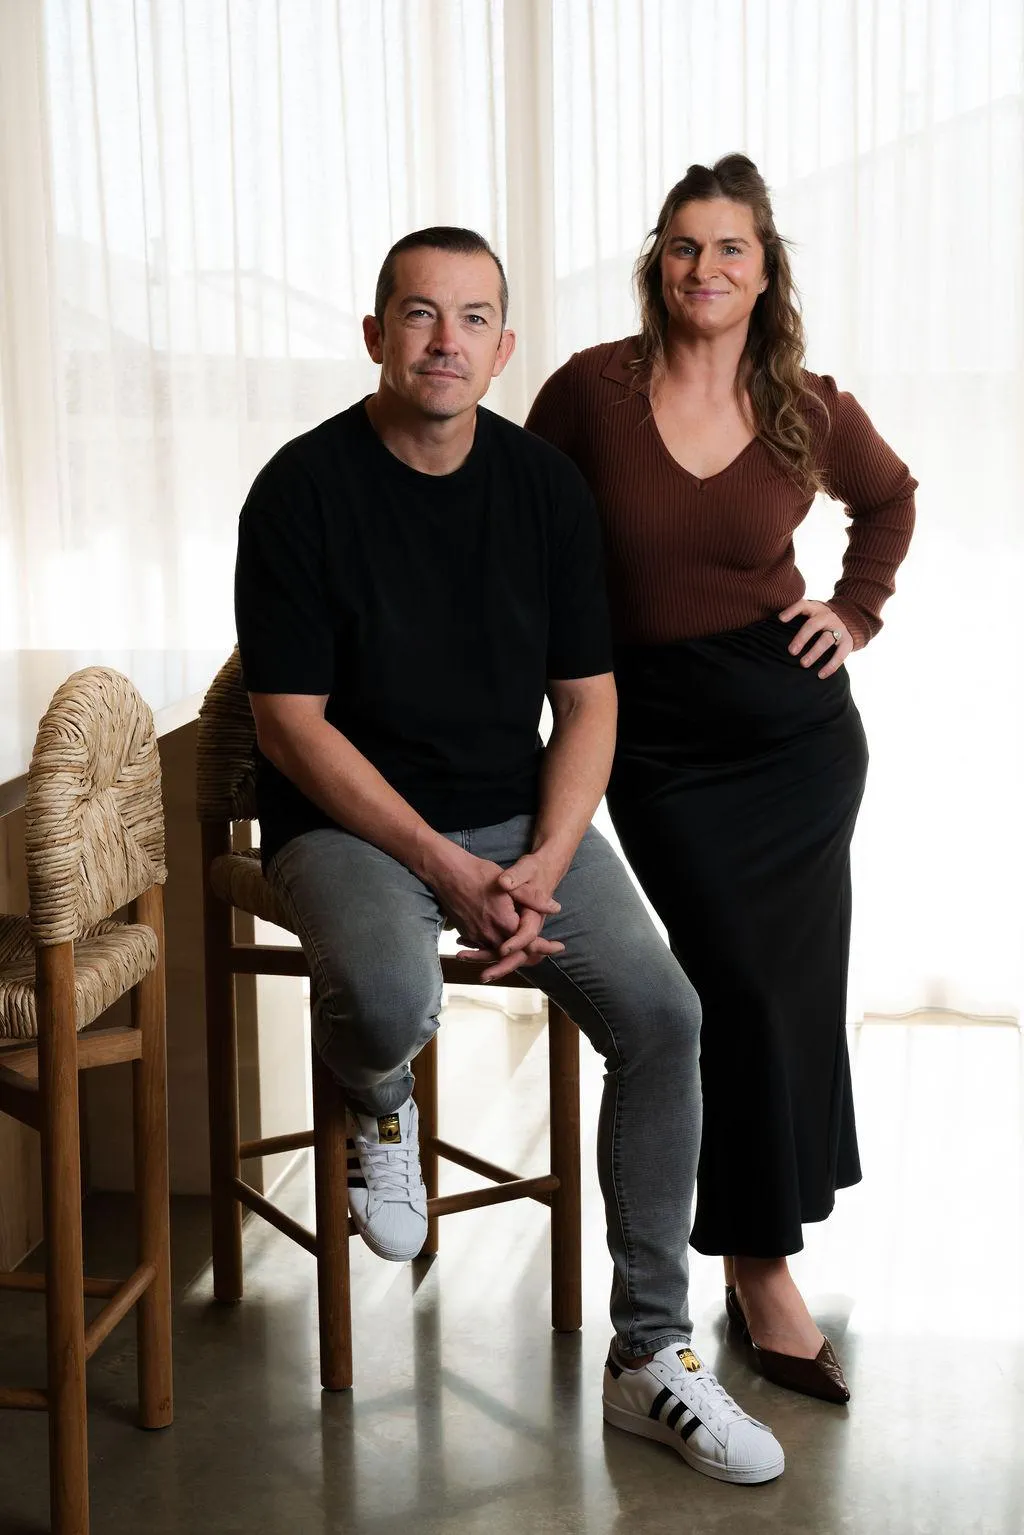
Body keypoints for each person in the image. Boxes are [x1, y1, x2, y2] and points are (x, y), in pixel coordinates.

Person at [234, 226, 784, 1484]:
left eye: (473, 318)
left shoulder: (544, 488)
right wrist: (442, 864)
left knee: (665, 1016)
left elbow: (587, 701)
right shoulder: (300, 489)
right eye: (420, 314)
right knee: (389, 994)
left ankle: (650, 1355)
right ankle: (382, 1097)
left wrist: (543, 858)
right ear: (375, 334)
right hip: (351, 825)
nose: (447, 340)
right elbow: (289, 725)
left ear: (504, 346)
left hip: (514, 824)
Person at [526, 156, 916, 1405]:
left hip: (795, 740)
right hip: (652, 739)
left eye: (730, 248)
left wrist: (853, 610)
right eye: (685, 246)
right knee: (734, 987)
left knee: (787, 995)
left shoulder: (802, 403)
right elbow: (512, 521)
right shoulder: (592, 390)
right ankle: (756, 1261)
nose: (706, 267)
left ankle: (762, 1266)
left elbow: (890, 499)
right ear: (659, 263)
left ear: (764, 269)